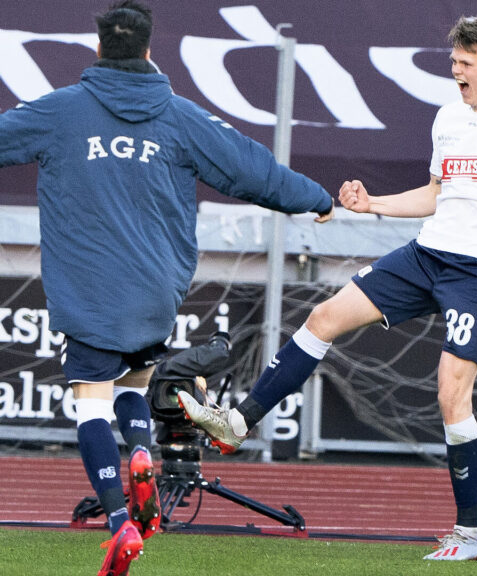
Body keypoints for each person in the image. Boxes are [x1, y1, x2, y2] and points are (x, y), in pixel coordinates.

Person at [178, 11, 477, 562]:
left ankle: (469, 536)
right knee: (324, 317)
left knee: (451, 394)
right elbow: (435, 195)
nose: (456, 73)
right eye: (453, 63)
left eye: (465, 65)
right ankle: (237, 423)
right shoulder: (449, 117)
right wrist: (372, 205)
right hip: (426, 256)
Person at [0, 2, 335, 574]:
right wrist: (318, 198)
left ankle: (117, 521)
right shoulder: (181, 118)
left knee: (88, 401)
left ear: (98, 49)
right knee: (134, 378)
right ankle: (139, 456)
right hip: (154, 291)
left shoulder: (58, 112)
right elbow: (252, 168)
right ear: (151, 52)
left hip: (87, 290)